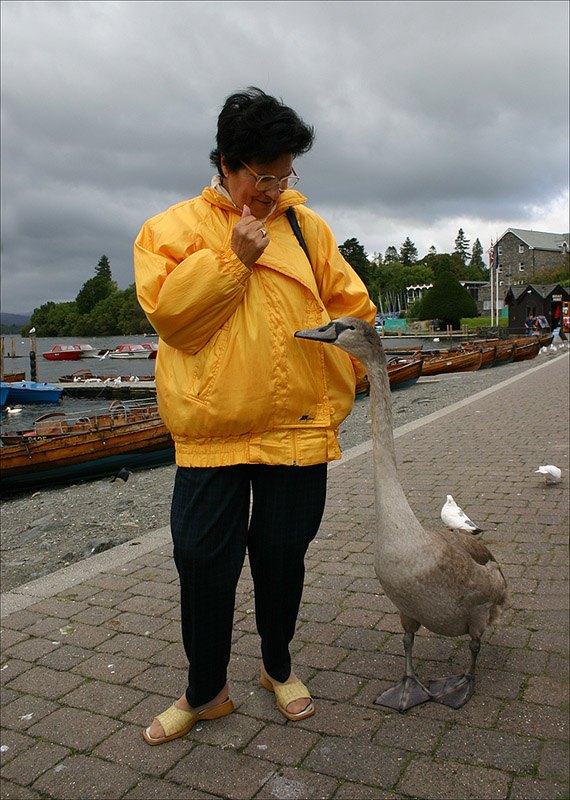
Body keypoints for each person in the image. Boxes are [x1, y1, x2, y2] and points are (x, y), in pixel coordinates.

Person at [134, 87, 376, 745]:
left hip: (298, 427)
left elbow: (354, 316)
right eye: (261, 175)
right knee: (202, 561)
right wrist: (230, 259)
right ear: (225, 163)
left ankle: (277, 666)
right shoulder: (170, 230)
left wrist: (338, 387)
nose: (273, 188)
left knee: (281, 557)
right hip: (211, 432)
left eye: (284, 173)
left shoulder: (307, 229)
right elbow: (173, 321)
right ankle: (204, 691)